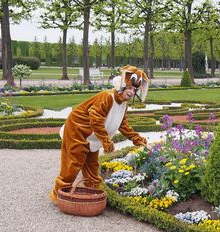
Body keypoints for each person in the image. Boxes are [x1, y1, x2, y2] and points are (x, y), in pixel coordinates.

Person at [50, 65, 149, 203]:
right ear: (122, 85)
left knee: (92, 164)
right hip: (77, 130)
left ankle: (92, 190)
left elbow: (123, 124)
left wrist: (135, 138)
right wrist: (106, 140)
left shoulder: (123, 104)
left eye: (134, 89)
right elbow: (95, 118)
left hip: (92, 135)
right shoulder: (107, 97)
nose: (131, 92)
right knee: (73, 163)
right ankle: (58, 194)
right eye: (129, 88)